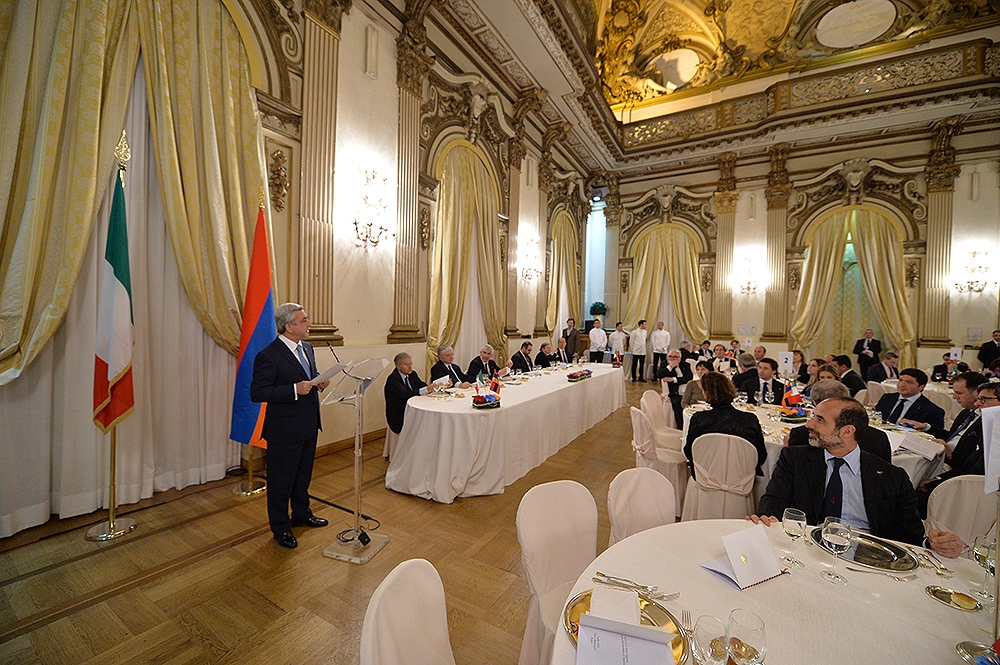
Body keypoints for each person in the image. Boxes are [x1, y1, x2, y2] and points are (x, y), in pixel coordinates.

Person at [750, 397, 963, 558]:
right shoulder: (795, 460)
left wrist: (935, 544)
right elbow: (772, 506)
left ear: (847, 431)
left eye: (819, 420)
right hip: (806, 552)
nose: (809, 424)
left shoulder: (891, 477)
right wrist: (767, 519)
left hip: (866, 559)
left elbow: (909, 536)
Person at [250, 303, 331, 549]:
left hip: (309, 423)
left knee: (302, 476)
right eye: (304, 320)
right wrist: (294, 389)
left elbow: (307, 376)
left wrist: (318, 382)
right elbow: (258, 392)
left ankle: (301, 513)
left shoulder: (307, 348)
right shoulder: (268, 355)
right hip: (284, 430)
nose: (309, 324)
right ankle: (281, 527)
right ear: (289, 326)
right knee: (281, 482)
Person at [901, 372, 988, 517]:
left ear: (976, 393)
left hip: (955, 471)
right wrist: (927, 427)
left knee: (908, 489)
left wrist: (950, 455)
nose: (954, 397)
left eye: (959, 393)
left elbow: (971, 463)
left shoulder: (987, 423)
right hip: (942, 458)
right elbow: (953, 436)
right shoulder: (967, 413)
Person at [684, 372, 767, 480]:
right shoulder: (750, 420)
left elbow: (689, 451)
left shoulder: (699, 419)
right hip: (741, 480)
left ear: (706, 394)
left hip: (706, 478)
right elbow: (761, 457)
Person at [785, 379, 892, 462]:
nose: (809, 425)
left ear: (815, 403)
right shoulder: (879, 438)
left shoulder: (801, 435)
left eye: (820, 419)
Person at [385, 352, 439, 438]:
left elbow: (422, 385)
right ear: (398, 366)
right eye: (406, 365)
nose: (410, 367)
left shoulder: (412, 374)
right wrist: (426, 389)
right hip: (400, 414)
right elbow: (406, 395)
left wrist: (435, 386)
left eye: (411, 364)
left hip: (412, 409)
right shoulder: (393, 380)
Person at [874, 368, 945, 430]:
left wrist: (925, 427)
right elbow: (876, 417)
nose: (902, 385)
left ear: (921, 387)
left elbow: (938, 434)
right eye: (900, 380)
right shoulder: (887, 398)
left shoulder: (932, 410)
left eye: (909, 382)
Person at [657, 349, 692, 427]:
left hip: (686, 389)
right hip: (674, 392)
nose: (672, 359)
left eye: (675, 357)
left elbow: (689, 377)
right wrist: (670, 367)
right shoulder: (664, 364)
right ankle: (681, 426)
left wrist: (673, 379)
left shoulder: (685, 364)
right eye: (670, 356)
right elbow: (659, 375)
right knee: (677, 403)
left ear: (680, 358)